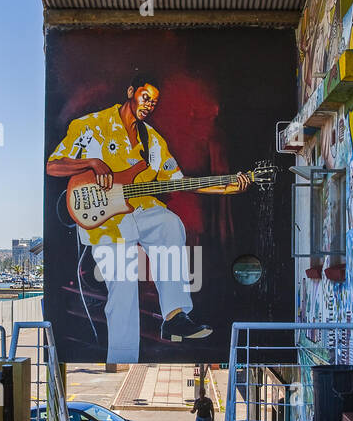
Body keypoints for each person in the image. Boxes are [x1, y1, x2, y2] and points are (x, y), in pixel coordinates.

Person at [46, 75, 250, 363]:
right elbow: (54, 165)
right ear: (131, 91)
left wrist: (227, 186)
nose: (149, 105)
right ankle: (123, 356)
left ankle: (175, 316)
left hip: (140, 210)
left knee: (169, 224)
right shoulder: (91, 125)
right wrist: (92, 162)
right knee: (124, 285)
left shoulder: (152, 140)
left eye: (154, 102)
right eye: (145, 96)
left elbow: (180, 181)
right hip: (104, 220)